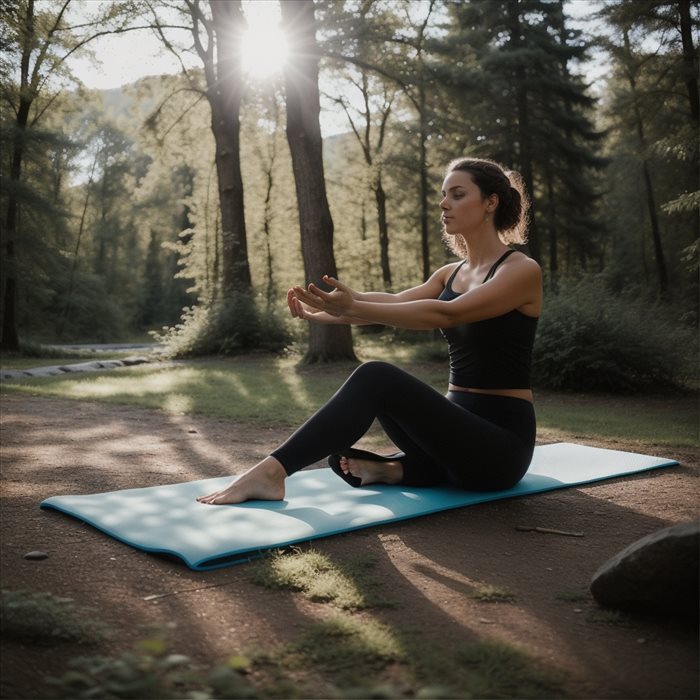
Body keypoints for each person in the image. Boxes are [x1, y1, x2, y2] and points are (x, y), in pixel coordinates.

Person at [197, 157, 542, 506]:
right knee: (379, 386)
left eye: (457, 194)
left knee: (376, 376)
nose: (443, 203)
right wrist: (328, 312)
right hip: (456, 436)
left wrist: (353, 307)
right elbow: (393, 302)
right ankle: (397, 470)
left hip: (501, 448)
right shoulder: (449, 274)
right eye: (443, 194)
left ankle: (274, 473)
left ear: (491, 202)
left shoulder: (520, 270)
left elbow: (445, 313)